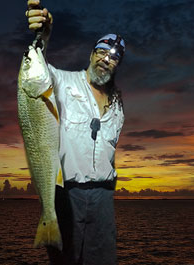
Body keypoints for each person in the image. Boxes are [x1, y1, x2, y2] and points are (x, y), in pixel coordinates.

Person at [25, 1, 125, 264]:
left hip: (104, 198)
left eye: (114, 56)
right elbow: (36, 72)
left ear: (117, 64)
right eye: (102, 51)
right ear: (92, 53)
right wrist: (43, 36)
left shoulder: (118, 106)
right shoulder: (62, 81)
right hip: (67, 195)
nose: (106, 58)